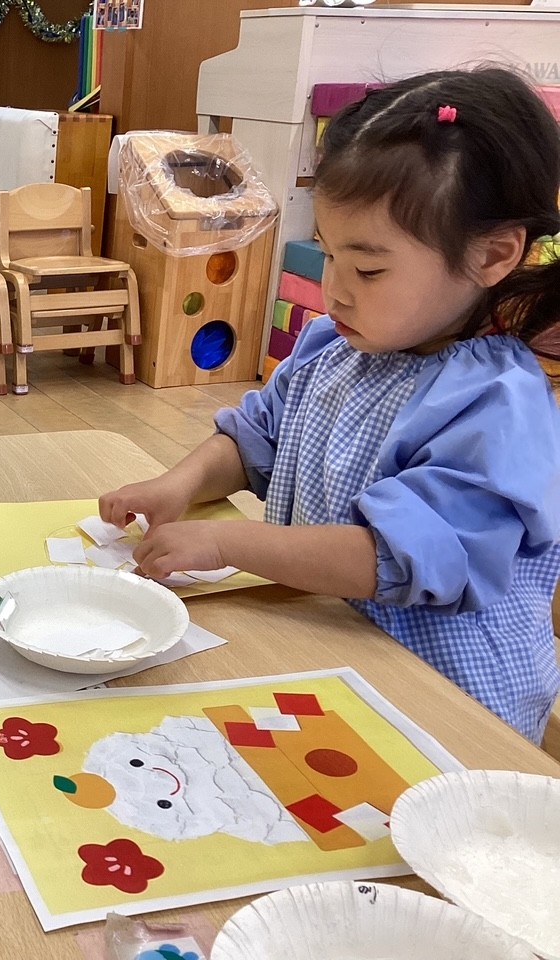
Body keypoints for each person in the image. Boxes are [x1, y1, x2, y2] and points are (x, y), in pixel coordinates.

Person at [100, 68, 560, 744]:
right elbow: (254, 439)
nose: (335, 289)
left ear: (492, 255)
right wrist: (179, 485)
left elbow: (397, 557)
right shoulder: (333, 348)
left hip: (445, 701)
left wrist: (226, 541)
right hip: (334, 647)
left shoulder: (497, 404)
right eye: (328, 254)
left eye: (369, 269)